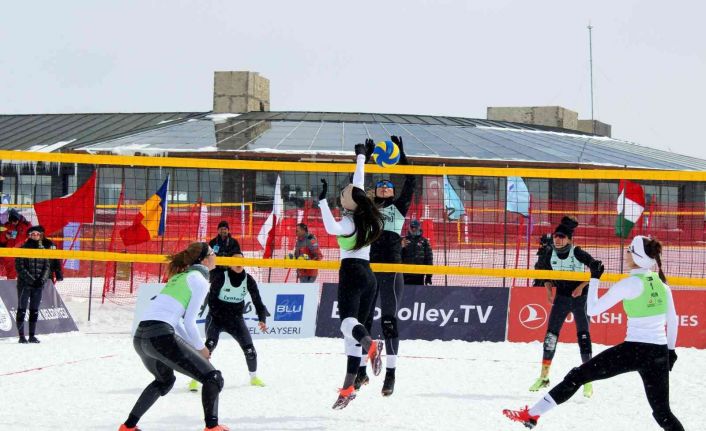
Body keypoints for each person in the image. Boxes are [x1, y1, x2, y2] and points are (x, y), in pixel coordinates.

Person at [504, 235, 684, 431]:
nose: (626, 254)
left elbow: (592, 310)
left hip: (634, 351)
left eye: (629, 251)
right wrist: (671, 351)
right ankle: (531, 415)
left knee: (577, 376)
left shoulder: (630, 283)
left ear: (637, 257)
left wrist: (595, 279)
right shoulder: (663, 285)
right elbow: (673, 321)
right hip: (658, 352)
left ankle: (532, 415)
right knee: (662, 413)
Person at [119, 242, 230, 431]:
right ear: (203, 259)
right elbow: (189, 322)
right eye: (213, 252)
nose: (215, 255)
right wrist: (200, 348)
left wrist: (193, 347)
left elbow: (177, 322)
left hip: (141, 337)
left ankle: (128, 427)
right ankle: (212, 427)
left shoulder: (180, 276)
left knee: (165, 381)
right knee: (213, 378)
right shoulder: (199, 280)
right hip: (160, 335)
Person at [318, 141, 385, 409]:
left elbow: (330, 227)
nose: (343, 194)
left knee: (347, 324)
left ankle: (370, 345)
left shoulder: (348, 222)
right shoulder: (368, 218)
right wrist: (361, 158)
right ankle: (349, 386)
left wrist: (322, 203)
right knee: (353, 335)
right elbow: (358, 187)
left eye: (344, 194)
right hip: (369, 276)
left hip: (351, 272)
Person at [358, 135, 416, 397]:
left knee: (390, 322)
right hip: (369, 269)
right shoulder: (367, 208)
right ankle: (360, 370)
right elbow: (353, 187)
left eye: (387, 185)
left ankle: (391, 374)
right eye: (379, 184)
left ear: (392, 192)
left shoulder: (399, 208)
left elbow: (411, 181)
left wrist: (402, 155)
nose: (383, 187)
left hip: (391, 270)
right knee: (364, 322)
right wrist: (365, 158)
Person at [528, 216, 601, 398]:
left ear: (569, 239)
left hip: (579, 298)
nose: (557, 239)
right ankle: (544, 377)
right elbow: (544, 272)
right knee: (550, 336)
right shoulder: (549, 252)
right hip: (561, 297)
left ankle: (588, 381)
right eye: (555, 236)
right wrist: (548, 290)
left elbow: (596, 268)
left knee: (583, 336)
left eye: (561, 236)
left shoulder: (577, 252)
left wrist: (581, 286)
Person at [188, 252, 270, 392]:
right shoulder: (221, 277)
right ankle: (195, 379)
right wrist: (220, 316)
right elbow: (211, 301)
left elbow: (258, 302)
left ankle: (254, 377)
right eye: (235, 260)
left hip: (236, 320)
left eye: (241, 260)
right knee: (208, 348)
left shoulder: (249, 280)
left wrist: (262, 319)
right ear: (229, 263)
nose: (238, 263)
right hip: (216, 318)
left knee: (250, 350)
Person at [14, 226, 52, 343]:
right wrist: (32, 280)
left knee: (34, 310)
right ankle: (21, 337)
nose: (35, 236)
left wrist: (42, 280)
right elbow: (20, 268)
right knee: (22, 310)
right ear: (29, 235)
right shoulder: (22, 249)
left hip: (38, 286)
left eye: (37, 234)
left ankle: (32, 336)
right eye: (33, 234)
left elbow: (47, 267)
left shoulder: (43, 250)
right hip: (25, 285)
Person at [400, 219, 433, 286]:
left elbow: (429, 259)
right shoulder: (403, 240)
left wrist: (429, 276)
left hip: (419, 275)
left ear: (419, 227)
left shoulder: (424, 241)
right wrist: (400, 247)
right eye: (412, 227)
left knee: (418, 296)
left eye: (416, 227)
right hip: (405, 274)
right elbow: (397, 256)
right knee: (405, 295)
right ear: (409, 228)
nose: (414, 229)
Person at [1, 208, 31, 279]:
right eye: (12, 222)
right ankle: (10, 289)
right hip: (9, 254)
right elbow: (1, 239)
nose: (13, 223)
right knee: (10, 275)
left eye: (15, 221)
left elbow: (34, 236)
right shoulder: (7, 226)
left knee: (24, 276)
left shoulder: (26, 225)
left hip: (22, 253)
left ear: (18, 218)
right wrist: (5, 237)